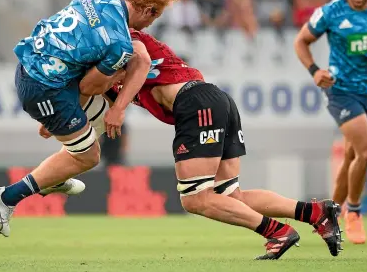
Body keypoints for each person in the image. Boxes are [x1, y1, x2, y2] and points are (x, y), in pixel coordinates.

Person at [94, 29, 342, 260]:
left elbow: (134, 61)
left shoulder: (124, 40)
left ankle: (277, 232)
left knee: (195, 199)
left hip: (195, 105)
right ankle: (314, 212)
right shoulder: (111, 72)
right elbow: (102, 87)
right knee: (230, 195)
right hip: (213, 99)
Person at [0, 0, 178, 237]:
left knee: (95, 126)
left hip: (31, 66)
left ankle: (59, 170)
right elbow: (89, 86)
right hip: (45, 89)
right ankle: (7, 197)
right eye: (155, 16)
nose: (151, 24)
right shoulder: (119, 45)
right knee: (88, 157)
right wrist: (60, 115)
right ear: (148, 9)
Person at [294, 0, 367, 244]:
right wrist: (315, 70)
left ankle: (329, 215)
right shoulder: (331, 12)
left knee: (353, 156)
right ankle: (353, 212)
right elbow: (301, 41)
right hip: (340, 90)